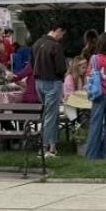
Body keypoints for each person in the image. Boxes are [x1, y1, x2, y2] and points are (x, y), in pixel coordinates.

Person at [31, 23, 68, 156]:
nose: (61, 37)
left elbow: (32, 63)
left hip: (38, 82)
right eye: (62, 34)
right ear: (58, 30)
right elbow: (61, 68)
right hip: (52, 81)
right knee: (51, 115)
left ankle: (53, 145)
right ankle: (45, 146)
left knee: (50, 114)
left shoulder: (36, 44)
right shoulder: (55, 46)